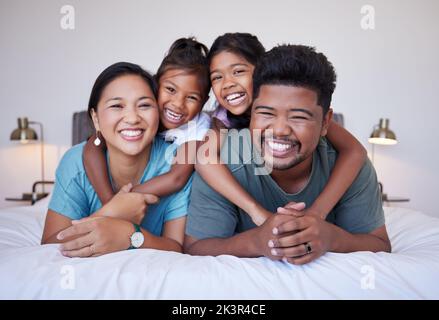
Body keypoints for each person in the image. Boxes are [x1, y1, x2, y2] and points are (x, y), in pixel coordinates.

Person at [185, 44, 391, 265]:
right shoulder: (224, 160)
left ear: (326, 123)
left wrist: (331, 237)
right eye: (265, 113)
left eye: (299, 117)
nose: (280, 130)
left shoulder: (347, 163)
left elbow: (379, 244)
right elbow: (195, 248)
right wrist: (257, 241)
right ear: (251, 111)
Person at [195, 33, 368, 225]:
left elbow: (355, 151)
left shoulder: (309, 117)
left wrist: (318, 212)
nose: (227, 83)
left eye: (238, 72)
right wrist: (256, 211)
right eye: (217, 77)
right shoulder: (222, 120)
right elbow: (203, 159)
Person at [41, 62, 192, 257]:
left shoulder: (176, 161)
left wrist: (131, 235)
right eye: (116, 106)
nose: (132, 118)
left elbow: (176, 248)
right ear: (95, 119)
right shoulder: (75, 161)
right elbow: (50, 246)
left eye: (144, 105)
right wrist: (112, 213)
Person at [82, 38, 211, 205]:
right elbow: (94, 145)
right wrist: (108, 200)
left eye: (192, 97)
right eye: (170, 89)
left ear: (204, 102)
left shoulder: (198, 128)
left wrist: (121, 200)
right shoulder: (140, 116)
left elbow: (176, 178)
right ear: (155, 84)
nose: (178, 104)